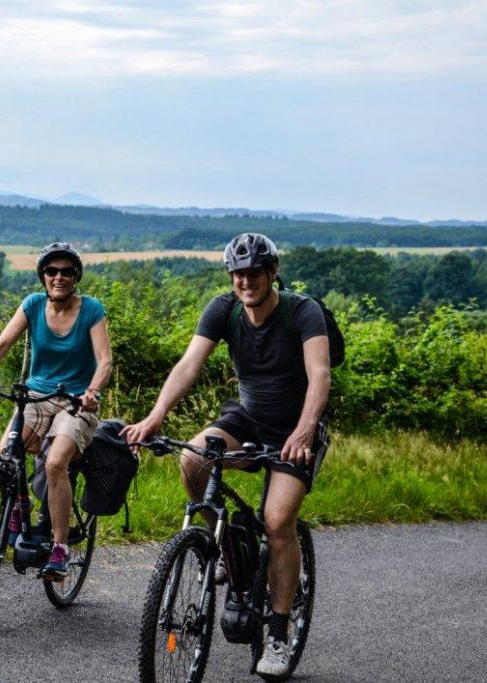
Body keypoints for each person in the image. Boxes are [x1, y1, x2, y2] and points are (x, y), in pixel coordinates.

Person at [122, 233, 331, 678]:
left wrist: (305, 430)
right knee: (193, 459)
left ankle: (277, 633)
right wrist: (155, 417)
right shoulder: (224, 309)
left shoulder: (302, 312)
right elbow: (188, 365)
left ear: (272, 273)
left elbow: (320, 375)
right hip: (246, 419)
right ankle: (228, 550)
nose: (245, 281)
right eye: (238, 274)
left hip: (295, 429)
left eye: (254, 273)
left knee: (277, 520)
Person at [0, 242, 112, 580]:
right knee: (6, 455)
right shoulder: (32, 305)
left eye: (67, 272)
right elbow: (2, 344)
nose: (59, 277)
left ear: (76, 277)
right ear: (43, 275)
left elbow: (105, 361)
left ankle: (59, 549)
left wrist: (92, 392)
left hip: (76, 401)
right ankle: (20, 506)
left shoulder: (91, 309)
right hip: (36, 397)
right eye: (52, 271)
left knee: (56, 463)